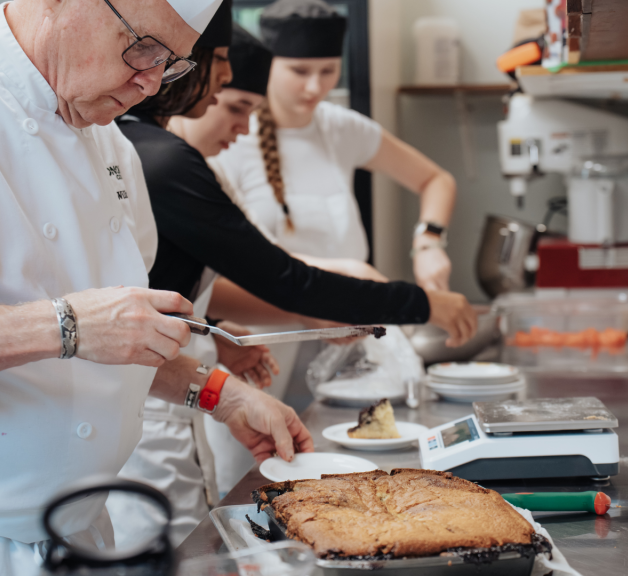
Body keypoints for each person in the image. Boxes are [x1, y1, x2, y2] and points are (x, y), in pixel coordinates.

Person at [0, 0, 311, 573]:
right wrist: (62, 325)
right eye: (144, 47)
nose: (150, 83)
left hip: (82, 533)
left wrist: (219, 392)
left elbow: (109, 338)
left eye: (173, 63)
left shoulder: (108, 141)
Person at [113, 18, 477, 543]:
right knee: (171, 543)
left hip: (181, 384)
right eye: (228, 98)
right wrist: (424, 304)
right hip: (147, 408)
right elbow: (285, 279)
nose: (233, 117)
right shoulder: (165, 159)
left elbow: (166, 285)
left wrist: (217, 329)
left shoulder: (145, 149)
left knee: (197, 532)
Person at [185, 0, 459, 399]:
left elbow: (436, 178)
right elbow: (231, 266)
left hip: (349, 341)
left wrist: (429, 241)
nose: (315, 86)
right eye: (299, 71)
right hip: (263, 345)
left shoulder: (341, 129)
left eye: (328, 71)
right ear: (269, 64)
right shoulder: (230, 131)